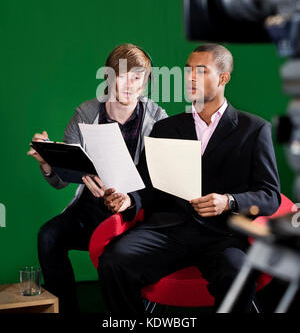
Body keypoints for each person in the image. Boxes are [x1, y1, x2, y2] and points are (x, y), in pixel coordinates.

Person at [98, 43, 281, 314]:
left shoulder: (254, 129)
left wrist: (229, 201)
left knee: (238, 274)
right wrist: (129, 200)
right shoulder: (165, 128)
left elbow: (270, 195)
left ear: (223, 78)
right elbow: (147, 185)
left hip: (224, 236)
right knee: (113, 260)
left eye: (201, 70)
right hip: (169, 231)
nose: (190, 77)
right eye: (187, 70)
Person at [27, 43, 167, 313]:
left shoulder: (158, 119)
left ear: (145, 82)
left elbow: (161, 182)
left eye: (137, 77)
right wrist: (47, 162)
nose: (129, 84)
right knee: (48, 236)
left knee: (123, 261)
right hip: (90, 210)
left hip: (134, 215)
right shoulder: (85, 115)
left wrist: (131, 197)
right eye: (122, 75)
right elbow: (61, 181)